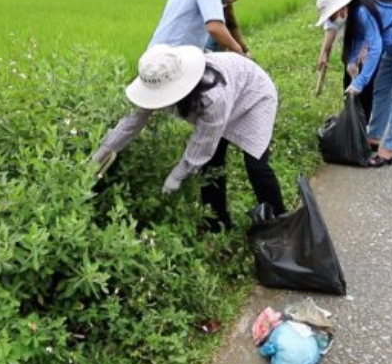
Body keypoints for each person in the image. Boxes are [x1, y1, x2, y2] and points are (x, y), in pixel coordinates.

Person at [93, 45, 286, 231]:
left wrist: (177, 175)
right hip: (231, 91)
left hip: (253, 95)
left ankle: (281, 223)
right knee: (212, 165)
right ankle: (217, 223)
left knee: (256, 165)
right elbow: (131, 122)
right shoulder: (158, 78)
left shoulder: (212, 96)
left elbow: (203, 144)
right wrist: (103, 152)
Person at [314, 0, 392, 167]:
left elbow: (374, 47)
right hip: (391, 46)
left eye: (331, 15)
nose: (332, 20)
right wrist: (352, 62)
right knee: (381, 92)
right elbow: (359, 40)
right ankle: (374, 137)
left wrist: (360, 81)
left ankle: (390, 150)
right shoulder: (354, 13)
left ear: (340, 8)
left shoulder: (361, 10)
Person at [301, 0, 371, 115]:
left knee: (365, 76)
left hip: (369, 35)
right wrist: (324, 53)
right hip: (350, 35)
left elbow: (369, 27)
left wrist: (362, 50)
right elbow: (331, 26)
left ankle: (363, 117)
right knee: (349, 72)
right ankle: (350, 113)